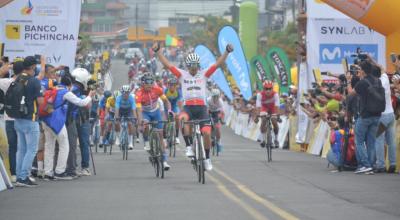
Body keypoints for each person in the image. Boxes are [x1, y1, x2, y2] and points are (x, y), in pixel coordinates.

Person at [153, 42, 233, 171]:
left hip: (202, 109)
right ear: (188, 65)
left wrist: (227, 52)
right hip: (188, 108)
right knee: (181, 119)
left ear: (198, 65)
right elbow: (167, 65)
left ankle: (207, 159)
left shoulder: (204, 74)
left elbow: (218, 64)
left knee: (206, 134)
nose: (193, 68)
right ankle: (189, 146)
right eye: (191, 66)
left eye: (195, 65)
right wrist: (158, 52)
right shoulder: (182, 74)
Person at [41, 75, 94, 180]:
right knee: (64, 146)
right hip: (57, 122)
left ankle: (48, 172)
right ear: (69, 85)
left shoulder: (52, 90)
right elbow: (81, 102)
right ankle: (60, 172)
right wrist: (90, 95)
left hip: (46, 120)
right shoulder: (65, 92)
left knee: (49, 146)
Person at [346, 60, 382, 174]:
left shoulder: (363, 82)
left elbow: (351, 94)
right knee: (371, 142)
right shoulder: (378, 81)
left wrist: (348, 81)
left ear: (363, 71)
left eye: (360, 70)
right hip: (377, 115)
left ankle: (365, 164)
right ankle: (370, 165)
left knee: (359, 141)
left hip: (365, 115)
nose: (358, 72)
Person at [13, 56, 44, 187]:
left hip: (17, 118)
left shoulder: (18, 78)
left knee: (21, 149)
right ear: (32, 67)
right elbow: (41, 102)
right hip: (30, 119)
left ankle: (19, 175)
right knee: (32, 149)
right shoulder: (34, 81)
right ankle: (24, 176)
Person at [136, 74, 171, 170]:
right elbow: (138, 110)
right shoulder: (139, 93)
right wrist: (140, 122)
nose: (149, 85)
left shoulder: (157, 89)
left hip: (156, 112)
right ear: (143, 84)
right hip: (145, 113)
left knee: (160, 135)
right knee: (145, 124)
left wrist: (170, 113)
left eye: (151, 82)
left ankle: (164, 161)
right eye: (147, 83)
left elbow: (166, 101)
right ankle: (147, 141)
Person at [65, 68, 93, 177]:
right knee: (83, 143)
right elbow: (87, 105)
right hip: (79, 118)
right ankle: (84, 167)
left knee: (72, 144)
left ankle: (74, 166)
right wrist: (89, 95)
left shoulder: (74, 87)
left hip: (73, 118)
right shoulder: (76, 89)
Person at [0, 60, 24, 183]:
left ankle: (13, 173)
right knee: (23, 147)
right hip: (23, 119)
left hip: (9, 118)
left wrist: (6, 66)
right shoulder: (27, 81)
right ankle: (22, 173)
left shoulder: (6, 82)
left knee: (12, 147)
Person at [255, 80, 280, 148]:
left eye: (270, 89)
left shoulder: (275, 94)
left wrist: (278, 116)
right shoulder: (259, 95)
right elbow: (258, 107)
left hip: (272, 108)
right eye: (266, 89)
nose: (268, 91)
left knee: (274, 121)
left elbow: (277, 106)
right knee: (263, 120)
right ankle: (263, 140)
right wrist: (257, 116)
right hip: (264, 108)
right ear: (263, 89)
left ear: (272, 88)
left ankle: (276, 139)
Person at [115, 85, 137, 150]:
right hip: (120, 111)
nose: (126, 94)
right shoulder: (118, 98)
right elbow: (117, 108)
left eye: (127, 93)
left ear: (129, 93)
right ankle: (117, 138)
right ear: (122, 93)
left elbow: (133, 109)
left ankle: (130, 142)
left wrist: (135, 117)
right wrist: (116, 117)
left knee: (130, 124)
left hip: (128, 112)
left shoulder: (131, 98)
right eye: (124, 93)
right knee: (116, 123)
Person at [164, 77, 182, 144]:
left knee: (177, 118)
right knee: (165, 121)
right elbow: (164, 102)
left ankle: (177, 137)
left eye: (174, 85)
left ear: (176, 86)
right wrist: (168, 111)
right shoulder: (165, 91)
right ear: (168, 85)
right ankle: (164, 138)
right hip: (166, 107)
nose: (172, 86)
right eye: (170, 85)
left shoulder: (178, 92)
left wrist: (181, 112)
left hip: (174, 106)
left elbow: (180, 102)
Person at [207, 88, 225, 153]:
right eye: (214, 96)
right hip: (209, 112)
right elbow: (206, 110)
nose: (216, 98)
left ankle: (219, 141)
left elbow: (222, 112)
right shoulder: (208, 100)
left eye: (217, 96)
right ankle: (210, 137)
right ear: (212, 96)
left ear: (219, 96)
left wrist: (222, 120)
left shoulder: (220, 102)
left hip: (217, 113)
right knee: (208, 125)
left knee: (217, 127)